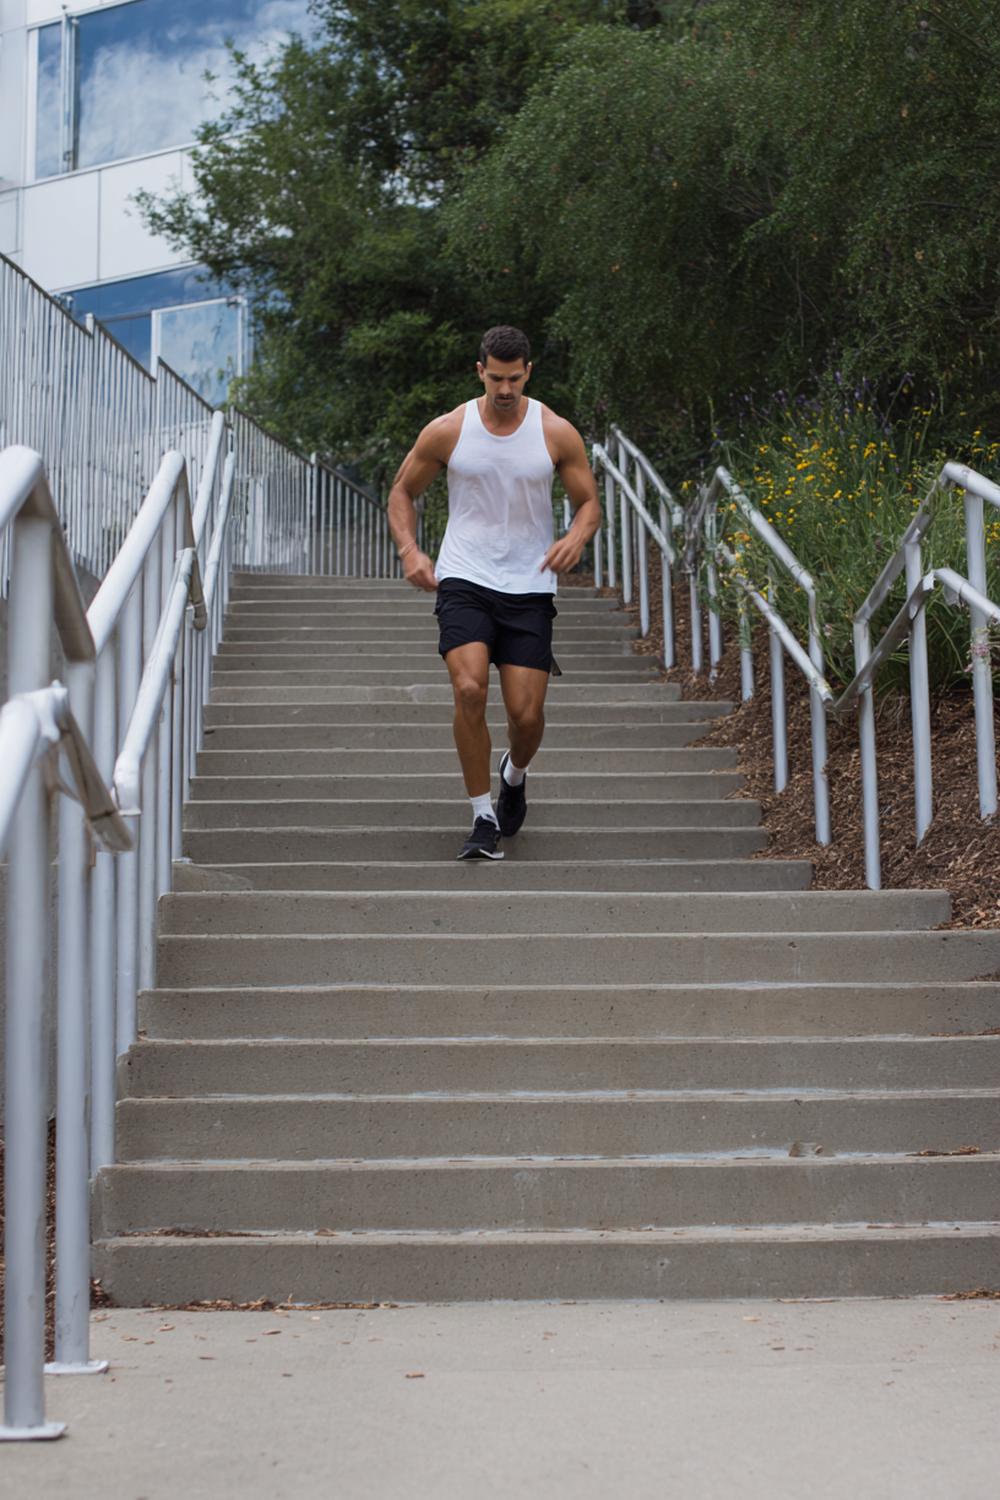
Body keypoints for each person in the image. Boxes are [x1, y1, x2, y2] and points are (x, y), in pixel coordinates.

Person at [387, 324, 601, 859]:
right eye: (495, 378)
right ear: (479, 370)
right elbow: (402, 490)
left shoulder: (555, 431)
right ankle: (482, 816)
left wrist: (576, 536)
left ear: (528, 371)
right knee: (469, 690)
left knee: (526, 718)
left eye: (514, 378)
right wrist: (411, 550)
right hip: (465, 578)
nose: (504, 389)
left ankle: (515, 772)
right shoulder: (448, 430)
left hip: (530, 584)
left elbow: (589, 503)